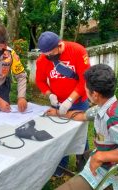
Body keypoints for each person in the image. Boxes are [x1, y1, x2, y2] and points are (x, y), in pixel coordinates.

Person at [46, 64, 118, 190]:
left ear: (95, 94)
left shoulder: (113, 118)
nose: (84, 90)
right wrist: (57, 113)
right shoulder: (104, 106)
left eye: (86, 88)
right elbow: (82, 116)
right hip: (103, 165)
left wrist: (100, 156)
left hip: (108, 176)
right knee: (84, 154)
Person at [36, 31, 91, 175]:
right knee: (60, 135)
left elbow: (84, 80)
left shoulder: (78, 51)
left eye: (52, 54)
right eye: (46, 55)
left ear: (60, 45)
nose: (49, 57)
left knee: (81, 135)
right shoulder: (42, 60)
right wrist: (50, 95)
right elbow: (40, 81)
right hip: (57, 104)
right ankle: (61, 166)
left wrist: (70, 99)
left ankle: (84, 164)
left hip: (78, 102)